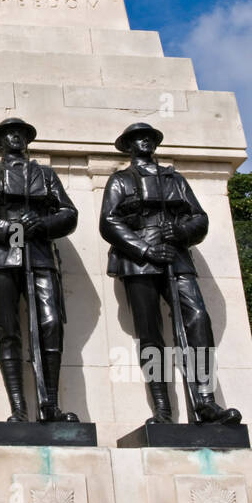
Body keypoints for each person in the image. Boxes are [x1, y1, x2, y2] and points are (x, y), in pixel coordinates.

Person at [99, 121, 241, 426]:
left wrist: (180, 231)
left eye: (149, 138)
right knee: (150, 333)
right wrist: (144, 249)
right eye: (138, 139)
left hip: (176, 256)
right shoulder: (120, 181)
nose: (144, 143)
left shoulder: (175, 179)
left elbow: (199, 218)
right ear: (128, 145)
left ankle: (205, 400)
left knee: (198, 318)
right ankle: (162, 408)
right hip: (139, 259)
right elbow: (109, 222)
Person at [0, 116, 78, 423]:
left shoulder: (46, 174)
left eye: (21, 134)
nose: (15, 138)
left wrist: (43, 224)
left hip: (39, 254)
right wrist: (9, 227)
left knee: (50, 324)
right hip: (1, 256)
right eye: (9, 134)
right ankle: (18, 408)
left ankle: (50, 404)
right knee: (8, 330)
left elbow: (69, 213)